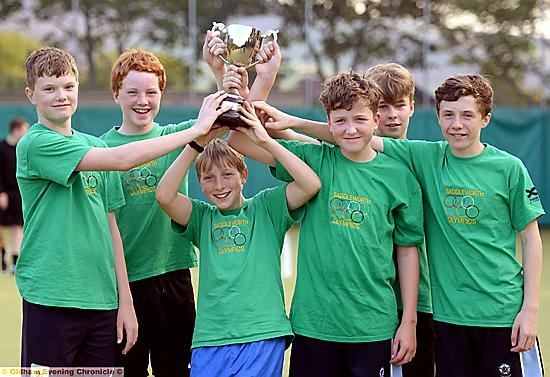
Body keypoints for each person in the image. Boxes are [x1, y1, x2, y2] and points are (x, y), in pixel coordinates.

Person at [254, 74, 545, 376]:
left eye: (467, 115)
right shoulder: (425, 157)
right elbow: (355, 133)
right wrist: (292, 122)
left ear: (485, 119)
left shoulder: (508, 168)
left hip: (502, 314)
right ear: (437, 116)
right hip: (448, 317)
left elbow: (531, 239)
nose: (457, 124)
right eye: (448, 115)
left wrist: (530, 309)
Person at [17, 46, 229, 368]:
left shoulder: (93, 145)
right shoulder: (37, 143)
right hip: (53, 297)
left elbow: (110, 224)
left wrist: (219, 73)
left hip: (105, 300)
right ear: (31, 94)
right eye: (49, 89)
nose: (61, 96)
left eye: (68, 87)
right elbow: (121, 159)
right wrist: (195, 132)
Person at [229, 71, 424, 376]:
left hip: (373, 325)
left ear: (375, 121)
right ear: (328, 123)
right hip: (314, 324)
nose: (350, 130)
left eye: (359, 120)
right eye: (340, 121)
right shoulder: (315, 159)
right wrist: (265, 78)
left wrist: (408, 321)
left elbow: (407, 249)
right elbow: (238, 139)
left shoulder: (399, 176)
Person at [155, 101, 321, 377]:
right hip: (211, 339)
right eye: (208, 178)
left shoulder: (267, 208)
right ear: (200, 181)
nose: (219, 186)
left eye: (227, 175)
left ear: (244, 175)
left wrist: (266, 141)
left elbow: (310, 183)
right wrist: (197, 143)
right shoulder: (202, 218)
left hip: (262, 334)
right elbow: (164, 195)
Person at [365, 63, 435, 377]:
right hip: (373, 302)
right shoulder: (349, 156)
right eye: (383, 106)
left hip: (427, 300)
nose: (392, 114)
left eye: (400, 105)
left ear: (412, 107)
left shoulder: (428, 158)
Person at [0, 117, 29, 275]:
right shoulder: (2, 147)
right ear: (16, 130)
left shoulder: (23, 149)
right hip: (4, 193)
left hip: (18, 194)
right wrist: (1, 192)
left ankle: (15, 262)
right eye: (24, 130)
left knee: (17, 227)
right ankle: (3, 254)